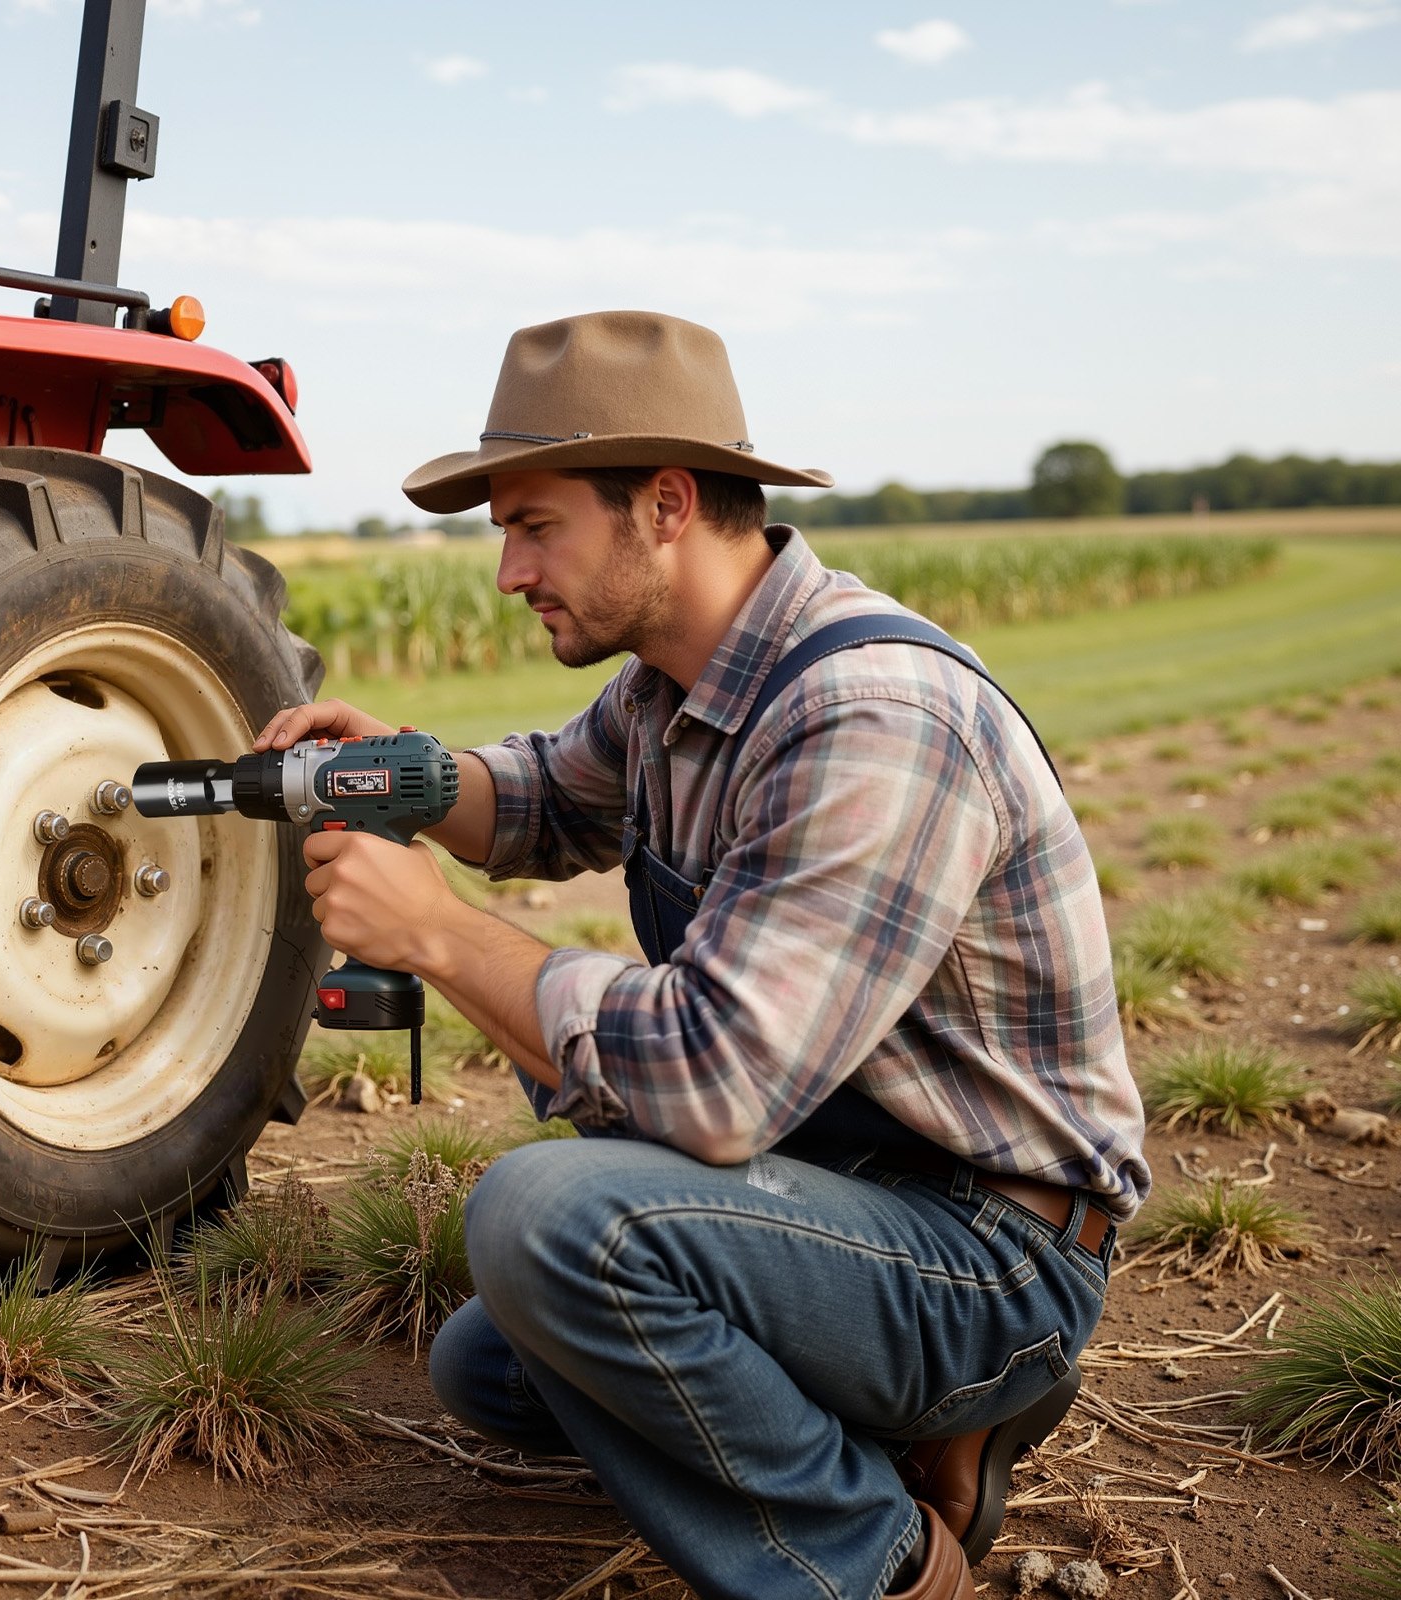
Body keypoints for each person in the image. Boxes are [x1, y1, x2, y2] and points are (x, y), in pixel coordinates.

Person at [254, 310, 1150, 1600]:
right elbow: (538, 801)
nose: (507, 571)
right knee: (490, 1366)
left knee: (546, 1225)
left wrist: (434, 935)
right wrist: (402, 771)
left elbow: (718, 1084)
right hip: (839, 1193)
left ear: (666, 505)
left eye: (533, 525)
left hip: (985, 1252)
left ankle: (883, 1562)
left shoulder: (871, 716)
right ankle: (903, 1432)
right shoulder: (670, 687)